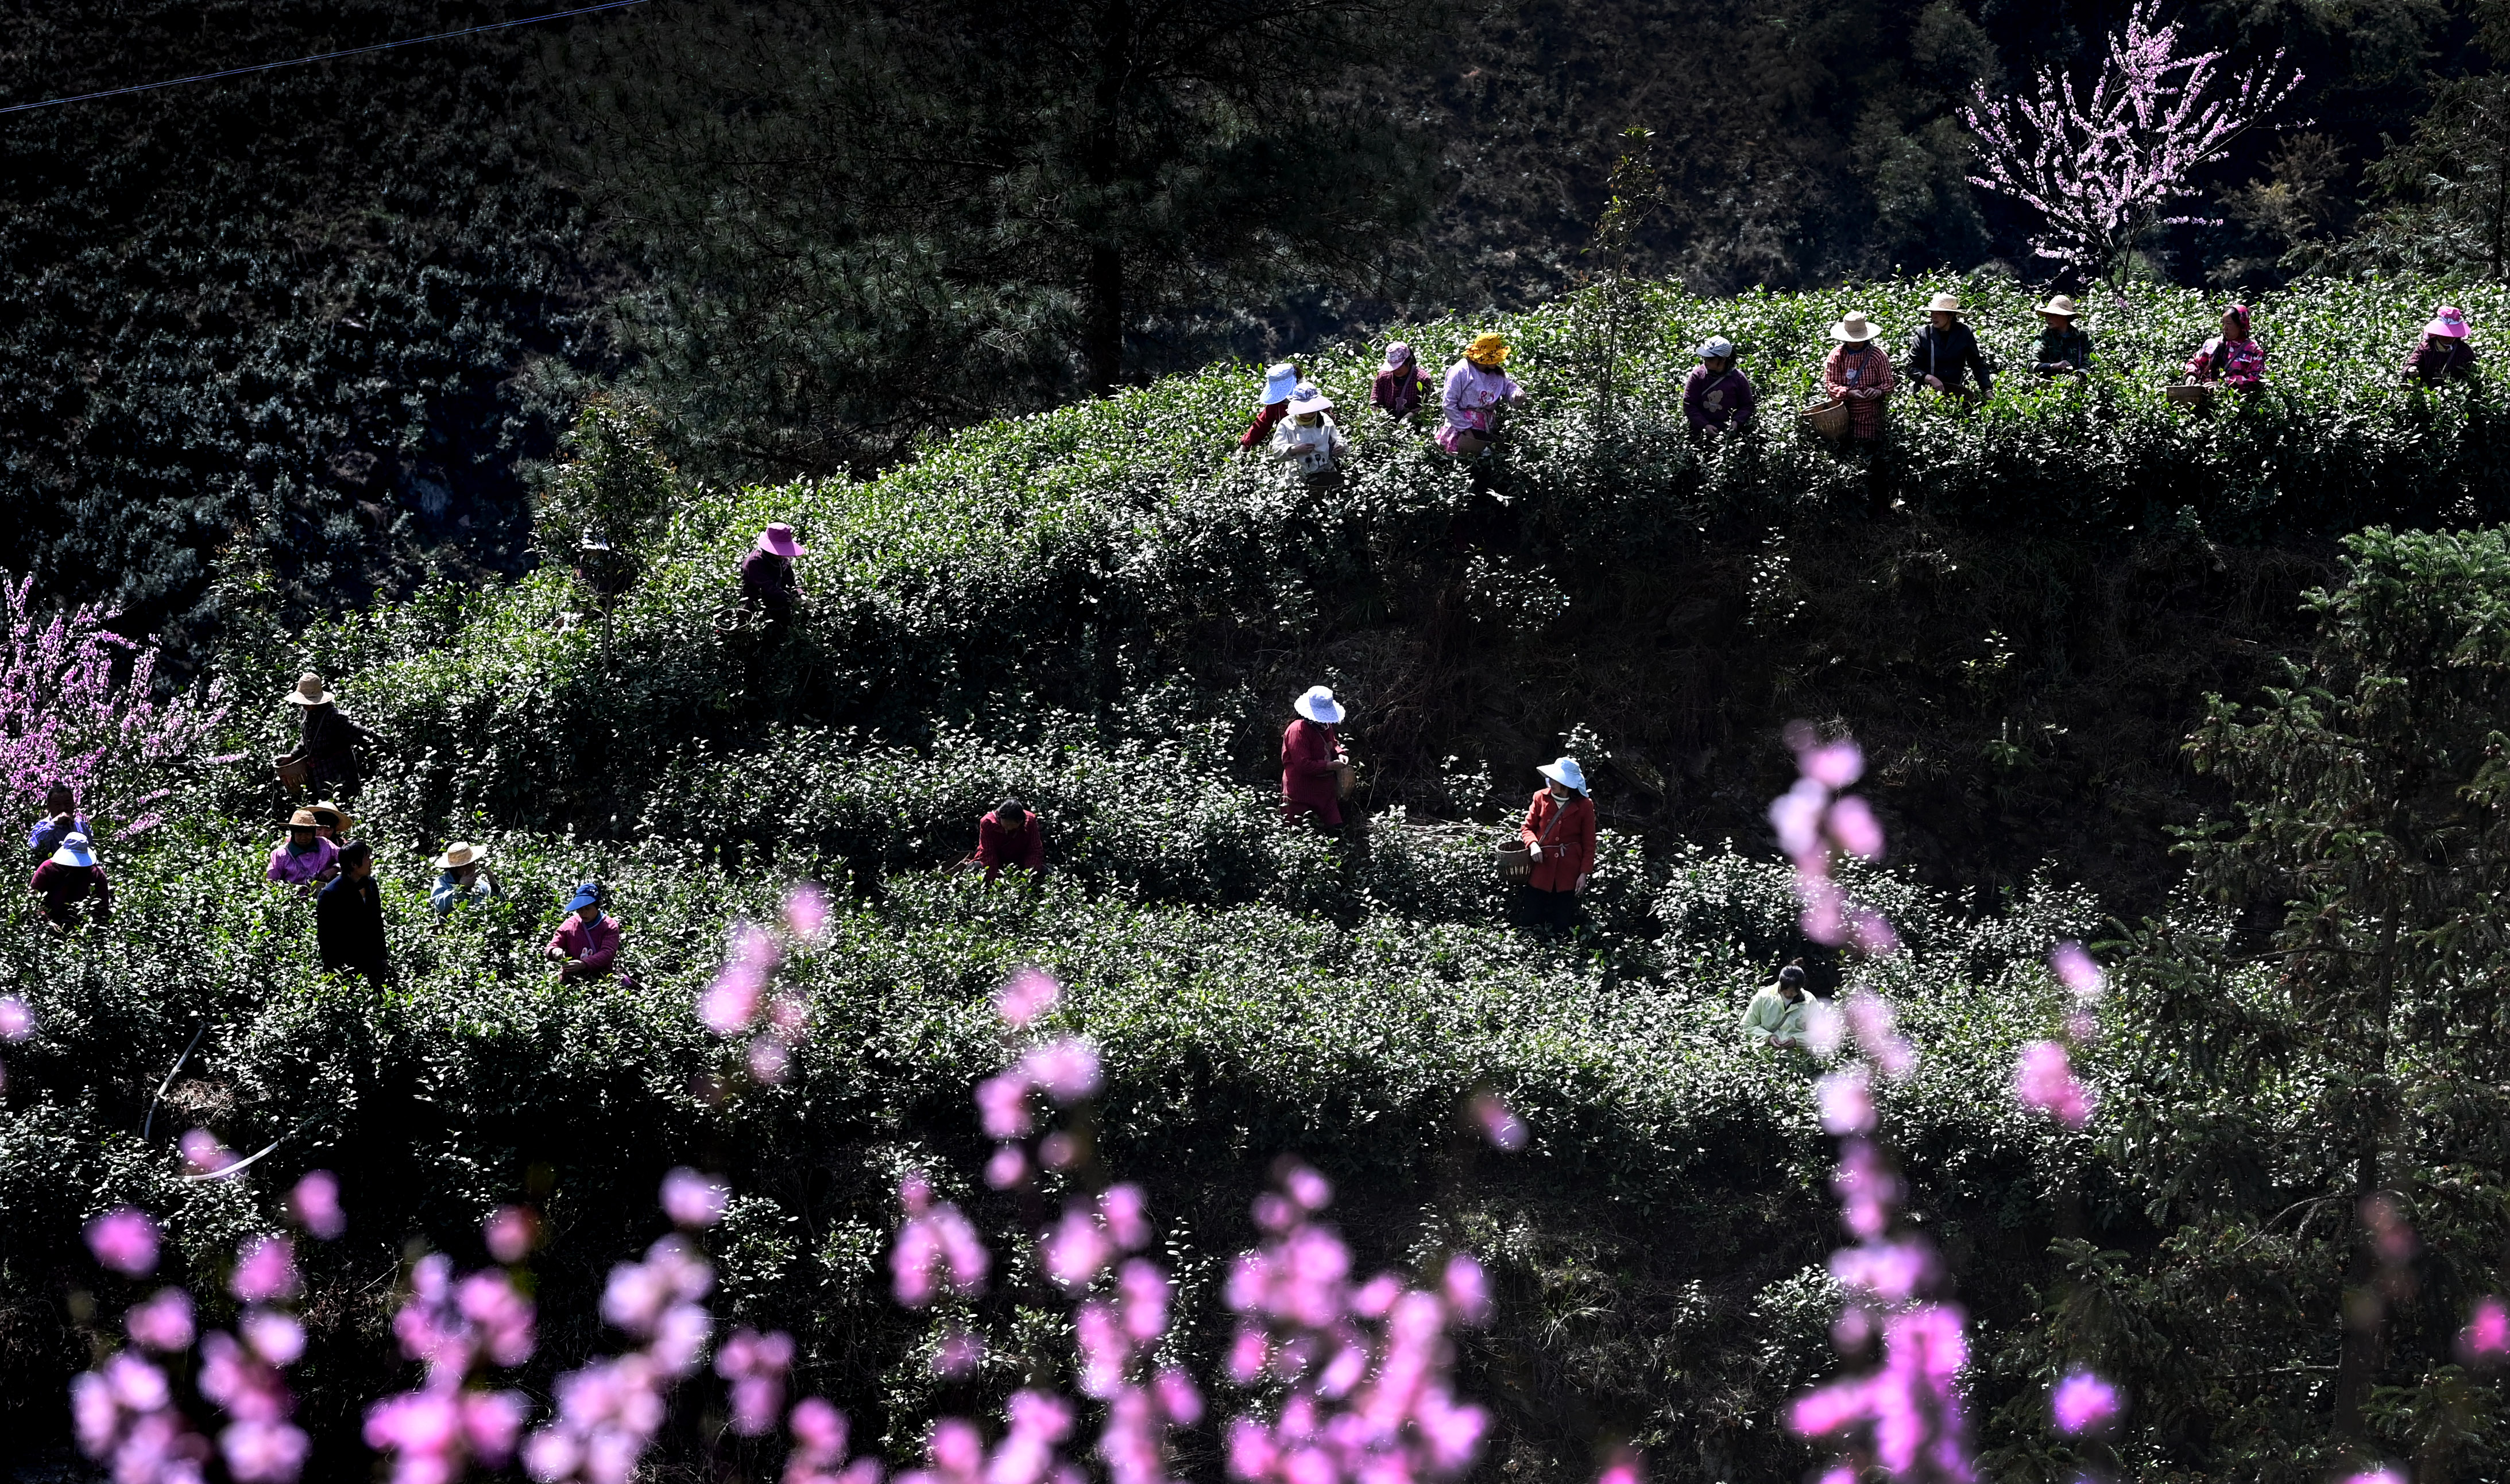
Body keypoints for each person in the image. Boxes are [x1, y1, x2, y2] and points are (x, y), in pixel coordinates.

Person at [1519, 757, 1596, 934]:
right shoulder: (1540, 797)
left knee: (1563, 926)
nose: (1551, 782)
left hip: (1568, 874)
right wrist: (1533, 845)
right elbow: (1527, 828)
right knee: (1530, 921)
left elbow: (1589, 842)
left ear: (1567, 783)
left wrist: (1584, 873)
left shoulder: (1585, 805)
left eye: (1556, 779)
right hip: (1541, 870)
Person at [276, 673, 381, 799]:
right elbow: (308, 739)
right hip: (319, 780)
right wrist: (292, 755)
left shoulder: (335, 718)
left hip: (340, 780)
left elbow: (367, 736)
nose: (303, 704)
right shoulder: (305, 711)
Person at [1436, 335, 1525, 456]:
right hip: (1461, 430)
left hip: (1486, 429)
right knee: (1464, 462)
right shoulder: (1461, 371)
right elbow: (1448, 404)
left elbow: (1509, 387)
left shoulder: (1496, 373)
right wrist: (1467, 431)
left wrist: (1517, 394)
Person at [315, 840, 388, 985]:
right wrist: (335, 974)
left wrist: (383, 956)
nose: (371, 862)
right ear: (354, 864)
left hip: (372, 962)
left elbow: (377, 923)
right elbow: (326, 940)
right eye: (367, 858)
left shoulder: (371, 884)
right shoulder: (330, 894)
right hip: (346, 967)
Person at [1281, 685, 1351, 828]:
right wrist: (1330, 766)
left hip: (1325, 792)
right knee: (1296, 832)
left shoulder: (1326, 726)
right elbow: (1303, 765)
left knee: (1337, 830)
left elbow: (1332, 744)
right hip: (1300, 793)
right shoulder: (1297, 730)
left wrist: (1340, 753)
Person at [1823, 312, 1896, 444]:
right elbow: (1830, 385)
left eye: (1858, 339)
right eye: (1851, 339)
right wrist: (1848, 393)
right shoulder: (1836, 356)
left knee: (1868, 447)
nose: (1854, 343)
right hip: (1842, 414)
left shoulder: (1877, 356)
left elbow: (1889, 384)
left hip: (1870, 416)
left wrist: (1878, 391)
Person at [1902, 293, 1992, 399]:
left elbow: (1977, 364)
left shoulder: (1964, 333)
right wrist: (1929, 378)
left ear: (1951, 315)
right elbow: (1911, 368)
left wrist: (1987, 389)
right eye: (1932, 313)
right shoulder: (1923, 335)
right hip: (1925, 395)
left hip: (1954, 394)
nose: (1934, 316)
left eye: (1939, 313)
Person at [30, 831, 111, 931]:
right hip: (49, 928)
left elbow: (102, 908)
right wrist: (47, 922)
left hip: (83, 928)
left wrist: (89, 928)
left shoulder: (96, 874)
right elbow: (33, 899)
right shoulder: (47, 869)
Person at [545, 882, 623, 983]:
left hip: (600, 981)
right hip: (570, 980)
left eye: (587, 908)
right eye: (580, 909)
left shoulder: (609, 925)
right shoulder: (570, 923)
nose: (583, 912)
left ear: (597, 906)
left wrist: (583, 964)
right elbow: (552, 946)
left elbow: (608, 953)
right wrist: (555, 951)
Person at [1683, 336, 1757, 436]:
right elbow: (1689, 404)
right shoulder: (1697, 376)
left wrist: (1737, 422)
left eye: (1711, 359)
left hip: (1729, 434)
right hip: (1701, 433)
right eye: (1705, 357)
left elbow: (1747, 405)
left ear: (1723, 359)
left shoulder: (1739, 378)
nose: (1706, 361)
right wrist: (1704, 425)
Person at [1269, 383, 1348, 475]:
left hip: (1325, 471)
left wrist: (1340, 447)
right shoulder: (1286, 424)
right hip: (1297, 475)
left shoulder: (1325, 419)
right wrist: (1294, 449)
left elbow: (1339, 441)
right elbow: (1277, 452)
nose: (1311, 409)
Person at [2184, 304, 2265, 390]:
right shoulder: (2211, 344)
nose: (2225, 328)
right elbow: (2197, 363)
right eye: (2223, 323)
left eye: (2229, 324)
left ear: (2241, 325)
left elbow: (2255, 379)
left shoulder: (2253, 350)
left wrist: (2224, 384)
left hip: (2234, 398)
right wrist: (2192, 375)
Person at [739, 524, 807, 626]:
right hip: (757, 612)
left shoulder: (782, 560)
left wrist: (802, 595)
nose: (782, 554)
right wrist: (793, 600)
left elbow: (792, 583)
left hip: (778, 609)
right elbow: (768, 589)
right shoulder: (755, 562)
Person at [1741, 962, 1812, 1052]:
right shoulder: (1764, 996)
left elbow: (1817, 1033)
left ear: (1801, 986)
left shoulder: (1809, 1001)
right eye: (1785, 990)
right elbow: (1747, 1025)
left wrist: (1797, 1040)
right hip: (1766, 1055)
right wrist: (1768, 1038)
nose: (1788, 994)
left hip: (1797, 1057)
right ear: (1780, 983)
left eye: (1793, 991)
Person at [266, 808, 341, 894]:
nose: (303, 838)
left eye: (307, 834)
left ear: (313, 833)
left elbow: (346, 858)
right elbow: (272, 881)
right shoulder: (281, 854)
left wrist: (334, 869)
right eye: (299, 834)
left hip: (322, 896)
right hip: (293, 898)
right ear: (293, 834)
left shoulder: (324, 845)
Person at [973, 799, 1046, 882]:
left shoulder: (1030, 821)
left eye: (1012, 825)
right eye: (1007, 824)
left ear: (1021, 821)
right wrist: (994, 880)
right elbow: (988, 852)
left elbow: (1035, 850)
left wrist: (1028, 876)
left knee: (1046, 873)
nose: (1009, 827)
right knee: (974, 869)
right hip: (996, 861)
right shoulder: (987, 823)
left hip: (1021, 861)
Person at [2403, 305, 2476, 385]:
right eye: (2443, 333)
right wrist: (2411, 370)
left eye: (2450, 334)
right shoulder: (2425, 348)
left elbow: (2474, 372)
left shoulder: (2464, 351)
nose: (2446, 336)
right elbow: (2411, 364)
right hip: (2427, 390)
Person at [430, 841, 502, 916]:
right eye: (467, 865)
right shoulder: (442, 883)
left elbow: (499, 906)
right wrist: (461, 888)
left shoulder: (480, 883)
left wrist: (494, 885)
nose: (472, 868)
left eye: (473, 863)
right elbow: (441, 906)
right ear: (455, 868)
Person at [1240, 363, 1300, 451]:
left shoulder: (1308, 398)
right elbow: (1262, 425)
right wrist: (1245, 445)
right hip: (1286, 446)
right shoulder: (1276, 405)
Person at [2029, 296, 2093, 377]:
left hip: (2076, 384)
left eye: (2053, 315)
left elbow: (2090, 363)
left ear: (2065, 317)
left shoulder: (2082, 338)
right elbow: (2031, 365)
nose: (2048, 319)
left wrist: (2079, 376)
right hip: (2049, 383)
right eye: (2047, 315)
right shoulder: (2044, 337)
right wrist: (2053, 366)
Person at [29, 784, 92, 862]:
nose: (63, 808)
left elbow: (91, 850)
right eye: (57, 805)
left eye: (67, 804)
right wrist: (54, 823)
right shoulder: (43, 826)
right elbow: (34, 847)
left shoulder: (81, 826)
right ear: (49, 807)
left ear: (73, 804)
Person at [1371, 343, 1433, 419]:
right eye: (1393, 367)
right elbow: (1374, 404)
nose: (1397, 370)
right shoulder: (1382, 378)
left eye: (1400, 366)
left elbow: (1429, 407)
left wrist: (1413, 414)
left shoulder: (1423, 379)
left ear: (1408, 361)